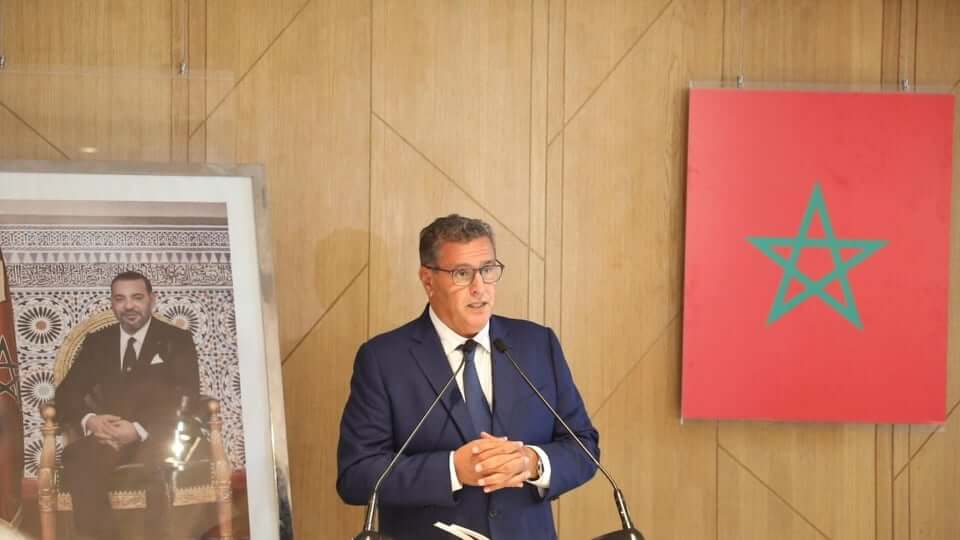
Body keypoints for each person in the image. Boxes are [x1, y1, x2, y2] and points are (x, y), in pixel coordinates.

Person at [337, 214, 598, 539]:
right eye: (462, 274)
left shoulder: (537, 345)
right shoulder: (383, 359)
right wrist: (451, 470)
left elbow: (584, 447)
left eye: (488, 270)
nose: (479, 288)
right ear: (428, 280)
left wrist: (532, 462)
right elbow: (356, 476)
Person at [55, 271, 200, 540]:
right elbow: (66, 394)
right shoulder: (98, 342)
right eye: (120, 299)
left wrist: (137, 429)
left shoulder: (177, 340)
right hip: (107, 437)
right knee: (77, 457)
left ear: (152, 300)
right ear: (112, 303)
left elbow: (187, 398)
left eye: (137, 297)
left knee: (158, 468)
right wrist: (91, 420)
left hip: (156, 436)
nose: (129, 306)